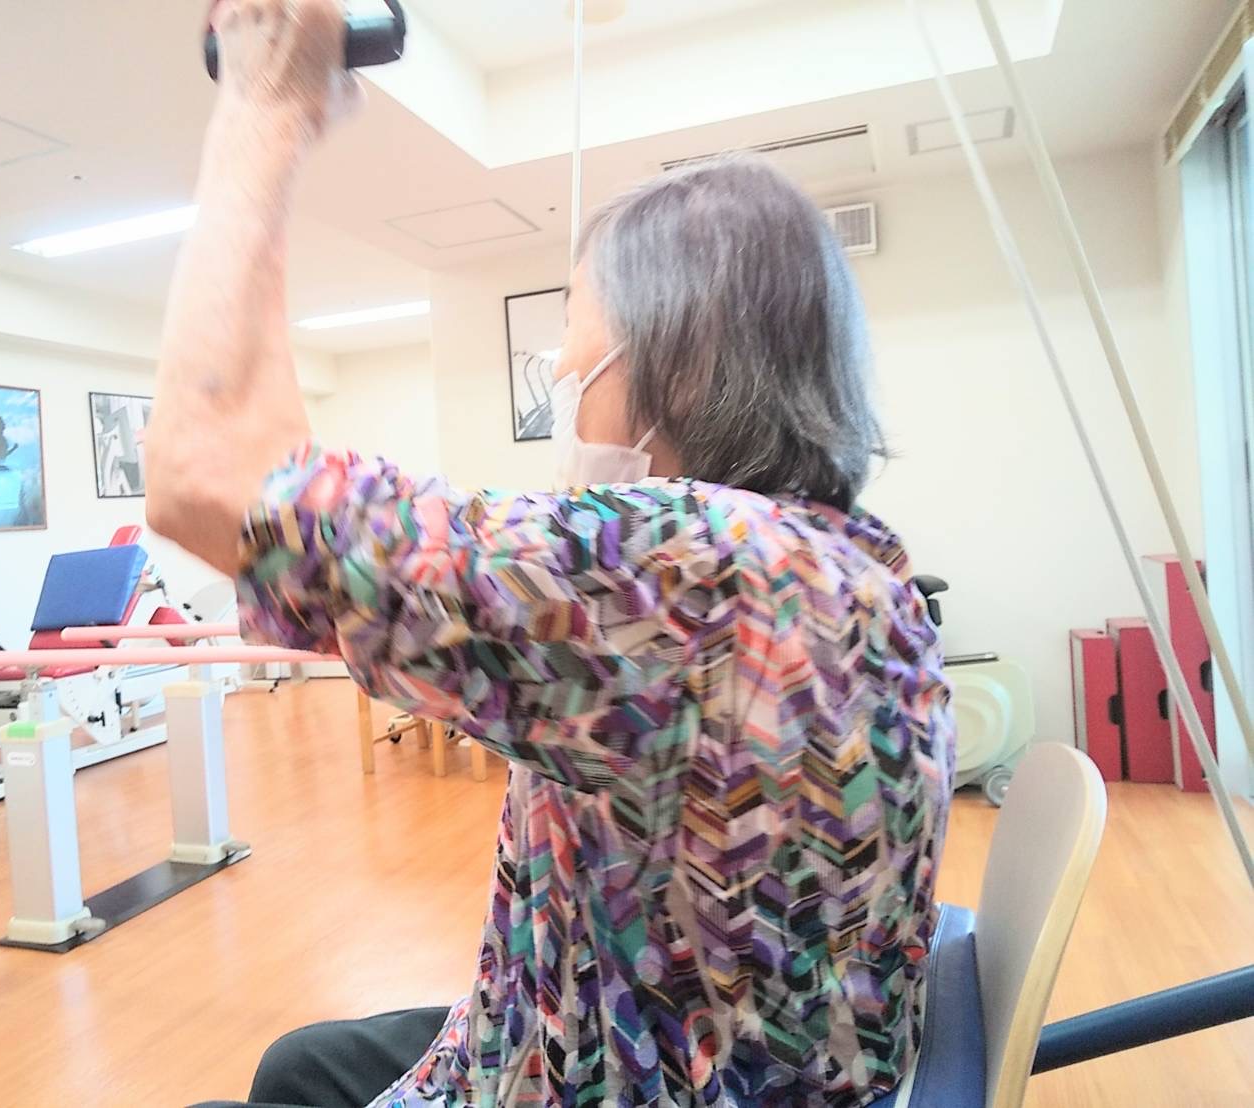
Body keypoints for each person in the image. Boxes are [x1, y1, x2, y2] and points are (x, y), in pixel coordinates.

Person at [147, 2, 954, 1105]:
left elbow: (204, 476)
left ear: (677, 354)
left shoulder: (692, 575)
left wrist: (265, 101)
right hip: (685, 1020)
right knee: (302, 1065)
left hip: (632, 1073)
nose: (562, 369)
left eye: (572, 324)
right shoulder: (853, 568)